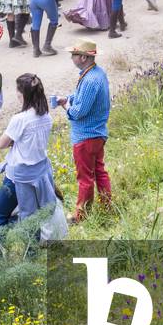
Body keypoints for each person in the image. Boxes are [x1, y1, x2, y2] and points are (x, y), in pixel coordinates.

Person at [56, 42, 112, 223]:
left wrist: (66, 106)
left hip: (86, 136)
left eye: (73, 54)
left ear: (83, 57)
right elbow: (82, 98)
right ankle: (107, 206)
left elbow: (79, 112)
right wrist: (70, 98)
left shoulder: (89, 80)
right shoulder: (97, 73)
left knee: (85, 177)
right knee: (99, 171)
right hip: (97, 133)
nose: (71, 57)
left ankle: (81, 215)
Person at [0, 74, 55, 229]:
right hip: (40, 172)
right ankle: (32, 251)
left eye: (17, 90)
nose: (16, 94)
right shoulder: (46, 116)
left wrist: (15, 139)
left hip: (18, 176)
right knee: (34, 216)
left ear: (23, 94)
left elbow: (1, 144)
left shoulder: (20, 119)